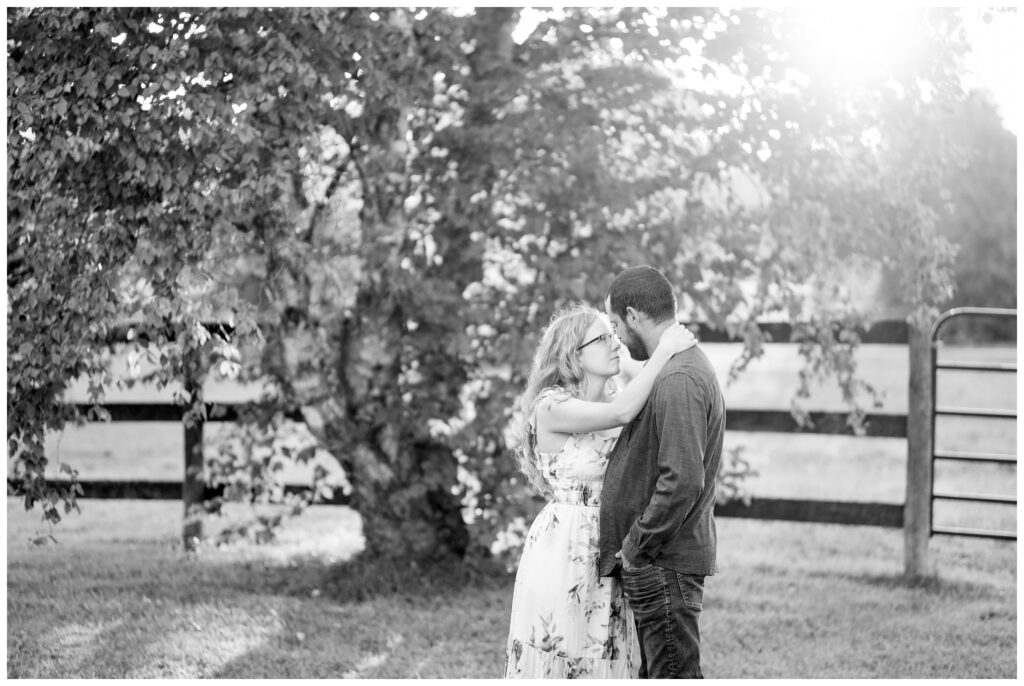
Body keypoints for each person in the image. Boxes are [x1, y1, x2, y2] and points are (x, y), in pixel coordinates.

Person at [503, 302, 699, 679]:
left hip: (610, 544)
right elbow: (622, 414)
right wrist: (663, 351)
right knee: (560, 651)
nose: (616, 344)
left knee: (606, 653)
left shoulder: (617, 396)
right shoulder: (551, 406)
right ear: (574, 353)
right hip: (564, 546)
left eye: (614, 335)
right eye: (603, 338)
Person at [598, 265, 726, 679]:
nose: (616, 336)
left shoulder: (679, 378)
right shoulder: (674, 368)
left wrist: (637, 546)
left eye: (617, 325)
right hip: (660, 560)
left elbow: (683, 480)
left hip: (663, 560)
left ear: (634, 315)